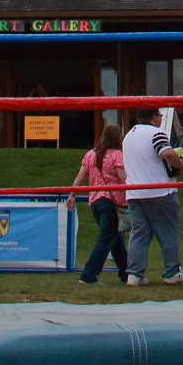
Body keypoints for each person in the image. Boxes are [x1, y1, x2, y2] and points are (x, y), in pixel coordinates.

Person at [122, 110, 183, 286]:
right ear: (154, 117)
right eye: (160, 116)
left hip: (134, 192)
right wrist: (181, 167)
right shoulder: (156, 133)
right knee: (168, 231)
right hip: (159, 191)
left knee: (139, 233)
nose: (161, 119)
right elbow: (168, 153)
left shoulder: (128, 136)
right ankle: (172, 271)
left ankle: (134, 274)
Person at [72, 121, 130, 285]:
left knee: (115, 239)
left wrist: (72, 195)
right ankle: (88, 275)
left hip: (95, 201)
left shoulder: (91, 154)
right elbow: (124, 178)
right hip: (111, 202)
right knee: (106, 240)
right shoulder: (118, 156)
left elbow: (80, 176)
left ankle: (126, 273)